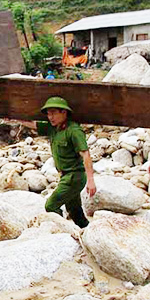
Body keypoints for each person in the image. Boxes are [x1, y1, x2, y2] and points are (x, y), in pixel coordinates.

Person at [35, 97, 96, 228]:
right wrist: (13, 119)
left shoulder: (74, 131)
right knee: (74, 209)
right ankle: (87, 231)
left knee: (51, 205)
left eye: (53, 113)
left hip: (74, 177)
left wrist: (91, 180)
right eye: (48, 113)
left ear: (64, 112)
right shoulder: (53, 128)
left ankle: (61, 231)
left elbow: (85, 154)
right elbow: (33, 124)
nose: (50, 117)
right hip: (65, 176)